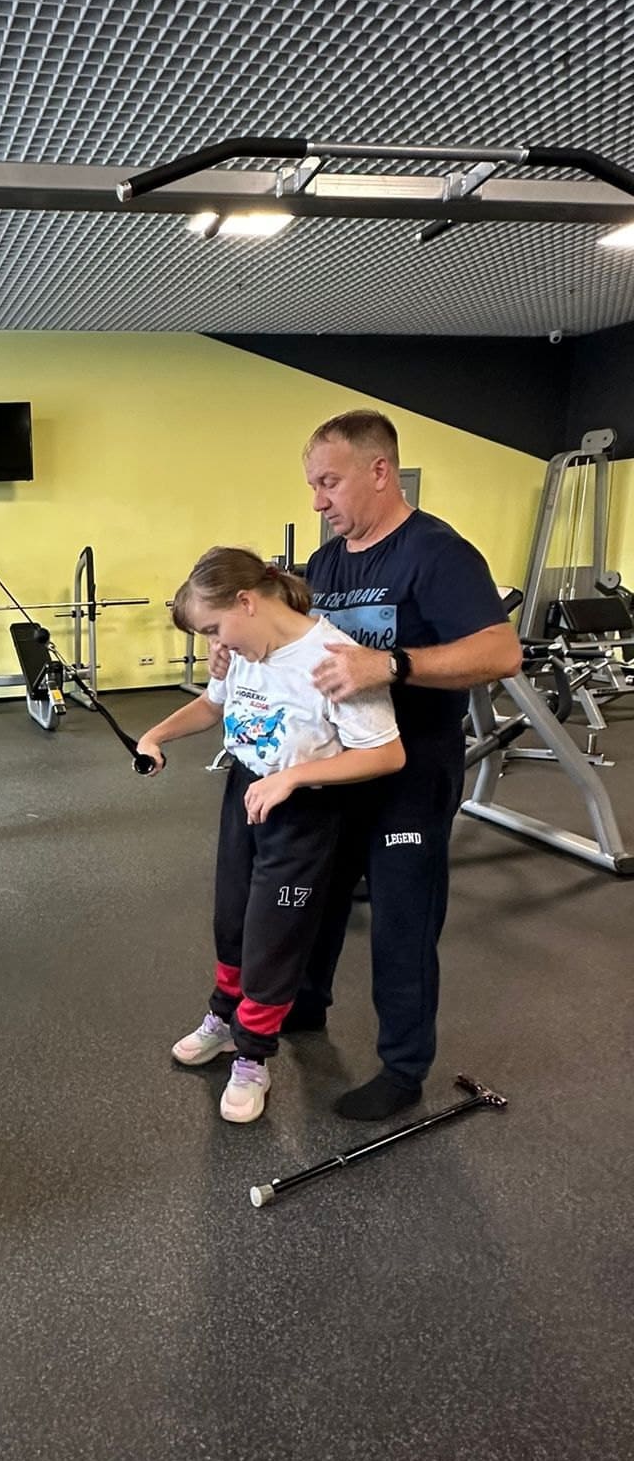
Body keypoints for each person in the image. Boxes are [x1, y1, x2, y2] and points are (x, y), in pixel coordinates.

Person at [210, 409, 523, 1122]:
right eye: (312, 485)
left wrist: (392, 664)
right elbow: (289, 643)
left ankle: (404, 1068)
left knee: (401, 922)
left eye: (329, 482)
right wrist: (231, 649)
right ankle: (306, 1004)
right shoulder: (327, 564)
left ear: (380, 471)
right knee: (317, 898)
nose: (317, 500)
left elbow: (502, 653)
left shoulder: (437, 554)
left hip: (409, 774)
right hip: (338, 768)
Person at [136, 546, 404, 1124]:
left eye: (215, 629)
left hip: (303, 811)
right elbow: (211, 707)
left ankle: (253, 1056)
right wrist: (154, 735)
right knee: (232, 920)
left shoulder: (333, 658)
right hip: (247, 794)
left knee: (272, 937)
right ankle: (223, 1019)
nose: (216, 645)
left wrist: (294, 777)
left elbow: (386, 754)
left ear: (246, 601)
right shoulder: (245, 651)